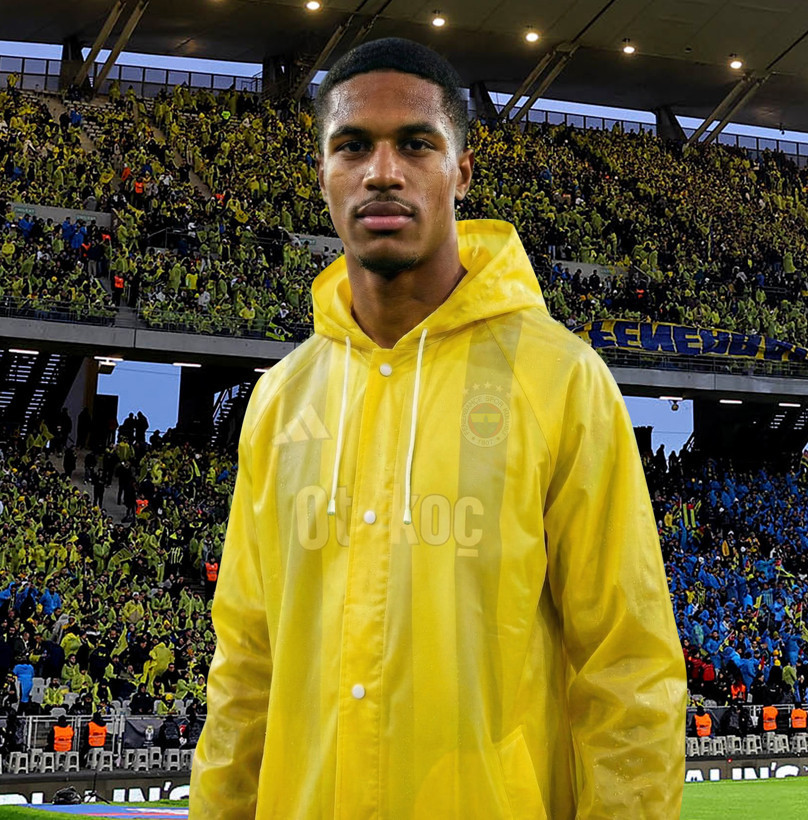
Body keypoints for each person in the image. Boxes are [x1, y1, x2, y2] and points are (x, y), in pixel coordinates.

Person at [190, 38, 686, 819]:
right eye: (353, 146)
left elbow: (627, 667)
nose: (382, 171)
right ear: (323, 173)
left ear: (461, 172)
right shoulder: (281, 399)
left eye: (416, 144)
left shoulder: (559, 380)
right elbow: (245, 670)